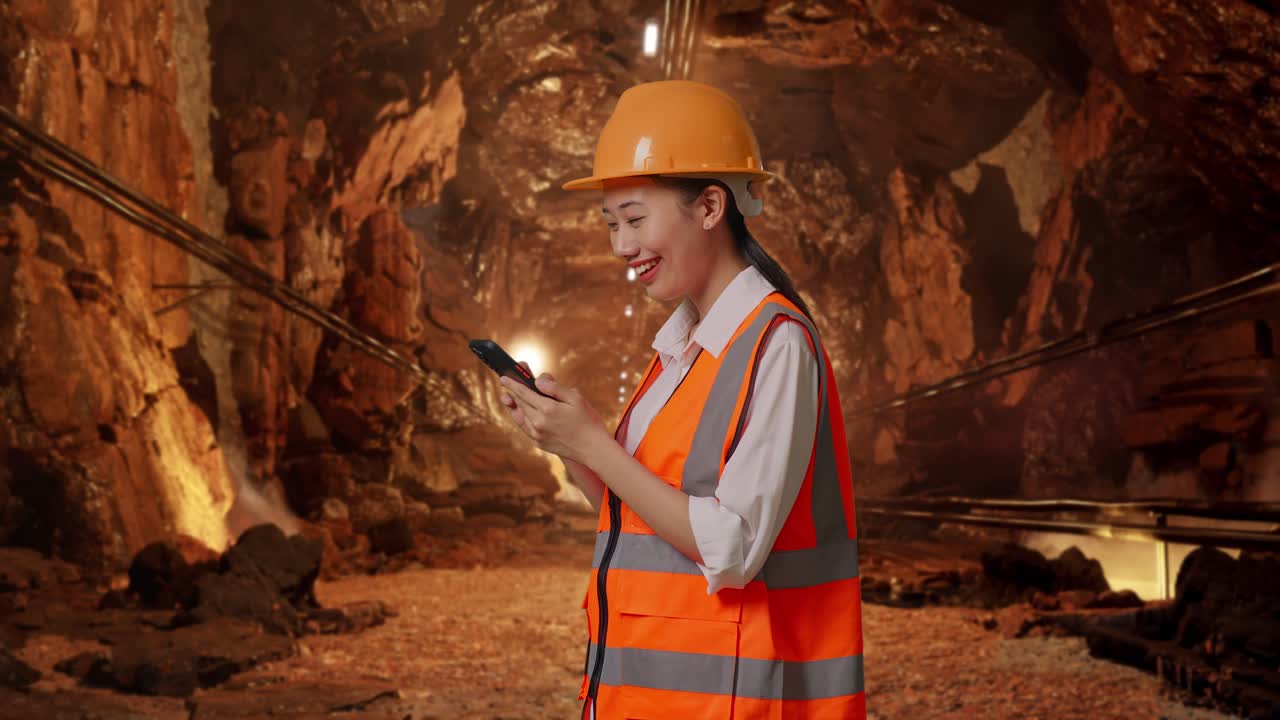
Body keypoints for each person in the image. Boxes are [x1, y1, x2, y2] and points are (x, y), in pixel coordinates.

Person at [498, 80, 864, 720]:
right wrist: (568, 445)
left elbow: (732, 548)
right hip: (642, 694)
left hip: (730, 700)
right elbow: (636, 516)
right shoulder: (681, 348)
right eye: (611, 224)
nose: (621, 246)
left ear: (710, 206)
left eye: (635, 219)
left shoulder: (776, 344)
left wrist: (594, 444)